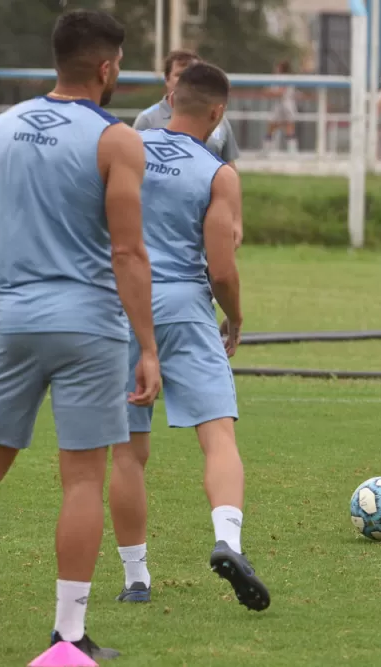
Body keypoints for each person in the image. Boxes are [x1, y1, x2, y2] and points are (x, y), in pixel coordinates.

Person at [0, 9, 160, 661]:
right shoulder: (116, 140)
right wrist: (147, 345)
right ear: (106, 67)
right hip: (90, 328)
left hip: (16, 321)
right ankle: (68, 635)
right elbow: (128, 252)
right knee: (82, 479)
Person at [107, 62, 269, 613]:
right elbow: (221, 270)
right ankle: (228, 540)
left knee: (129, 452)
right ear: (218, 112)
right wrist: (238, 318)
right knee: (217, 436)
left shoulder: (122, 146)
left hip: (119, 306)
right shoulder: (218, 173)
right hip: (183, 306)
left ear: (170, 97)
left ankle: (136, 579)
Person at [135, 49, 242, 249]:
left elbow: (230, 168)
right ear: (167, 80)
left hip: (209, 211)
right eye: (179, 75)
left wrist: (236, 219)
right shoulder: (147, 121)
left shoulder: (220, 122)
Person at [263, 60, 298, 154]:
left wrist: (271, 93)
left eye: (277, 67)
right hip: (278, 104)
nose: (275, 69)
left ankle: (292, 151)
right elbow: (270, 91)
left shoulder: (286, 78)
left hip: (287, 104)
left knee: (289, 126)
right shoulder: (276, 78)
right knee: (271, 126)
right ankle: (266, 150)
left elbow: (280, 92)